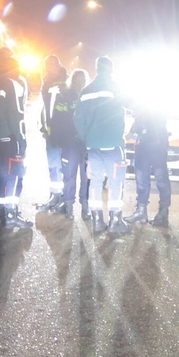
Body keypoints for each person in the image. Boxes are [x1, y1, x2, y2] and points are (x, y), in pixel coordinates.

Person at [73, 56, 131, 234]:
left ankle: (97, 221)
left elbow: (78, 119)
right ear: (111, 69)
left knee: (95, 182)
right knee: (115, 183)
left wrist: (87, 138)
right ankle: (115, 221)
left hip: (93, 146)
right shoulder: (115, 87)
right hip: (113, 144)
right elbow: (131, 105)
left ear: (97, 69)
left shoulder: (86, 90)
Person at [0, 55, 32, 228]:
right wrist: (21, 141)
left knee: (0, 177)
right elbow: (16, 116)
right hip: (10, 139)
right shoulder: (10, 84)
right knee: (14, 176)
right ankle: (11, 215)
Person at [50, 68, 91, 220]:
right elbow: (57, 118)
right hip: (77, 142)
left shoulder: (86, 97)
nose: (81, 83)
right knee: (75, 176)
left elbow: (57, 119)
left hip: (77, 143)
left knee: (76, 176)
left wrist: (57, 139)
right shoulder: (66, 96)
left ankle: (74, 208)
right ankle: (73, 207)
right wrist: (57, 138)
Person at [125, 104, 171, 227]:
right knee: (141, 180)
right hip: (143, 148)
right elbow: (132, 131)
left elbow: (159, 125)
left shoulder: (158, 109)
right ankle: (141, 211)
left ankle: (163, 212)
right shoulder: (140, 110)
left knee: (161, 180)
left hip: (157, 147)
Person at [38, 54, 66, 212]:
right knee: (53, 166)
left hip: (61, 132)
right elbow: (45, 108)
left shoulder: (63, 82)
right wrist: (43, 126)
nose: (49, 68)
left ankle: (62, 198)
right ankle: (55, 195)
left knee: (61, 166)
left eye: (51, 65)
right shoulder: (47, 81)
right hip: (51, 132)